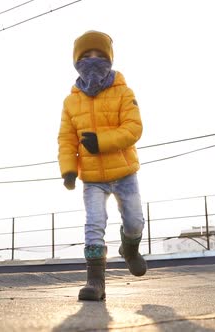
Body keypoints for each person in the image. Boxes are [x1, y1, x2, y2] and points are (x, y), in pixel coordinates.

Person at [57, 30, 147, 301]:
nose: (93, 61)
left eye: (99, 55)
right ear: (76, 61)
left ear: (109, 59)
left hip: (125, 173)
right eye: (86, 56)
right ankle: (95, 282)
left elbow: (134, 128)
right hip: (92, 177)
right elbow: (66, 138)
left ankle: (129, 248)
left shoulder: (124, 92)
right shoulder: (71, 101)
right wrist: (68, 169)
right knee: (94, 223)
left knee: (134, 222)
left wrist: (101, 142)